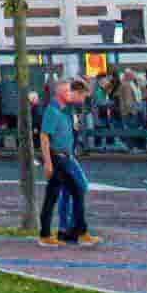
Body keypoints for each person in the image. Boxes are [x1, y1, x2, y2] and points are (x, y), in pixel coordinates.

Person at [38, 80, 99, 247]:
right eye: (67, 92)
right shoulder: (53, 111)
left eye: (70, 91)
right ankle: (77, 232)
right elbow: (44, 137)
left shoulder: (65, 110)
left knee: (53, 195)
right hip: (58, 158)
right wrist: (48, 162)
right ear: (59, 94)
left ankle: (54, 233)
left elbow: (82, 97)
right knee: (75, 190)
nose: (70, 94)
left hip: (64, 157)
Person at [55, 80, 93, 242]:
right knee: (80, 186)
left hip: (63, 154)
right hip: (63, 155)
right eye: (83, 96)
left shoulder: (69, 108)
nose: (84, 100)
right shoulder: (67, 108)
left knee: (67, 191)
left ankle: (65, 228)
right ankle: (71, 228)